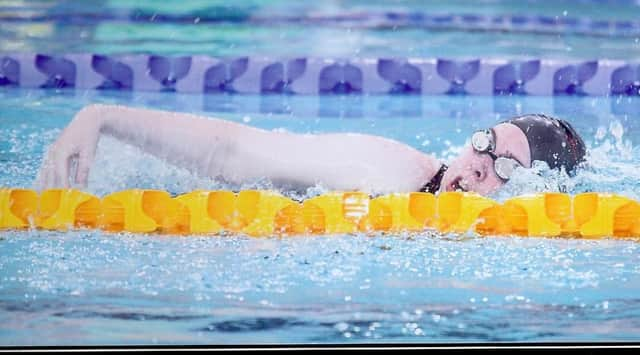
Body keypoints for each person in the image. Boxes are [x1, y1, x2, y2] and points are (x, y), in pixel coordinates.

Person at [36, 104, 586, 195]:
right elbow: (235, 152)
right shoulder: (388, 169)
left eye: (502, 168)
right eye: (482, 144)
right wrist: (101, 119)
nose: (473, 167)